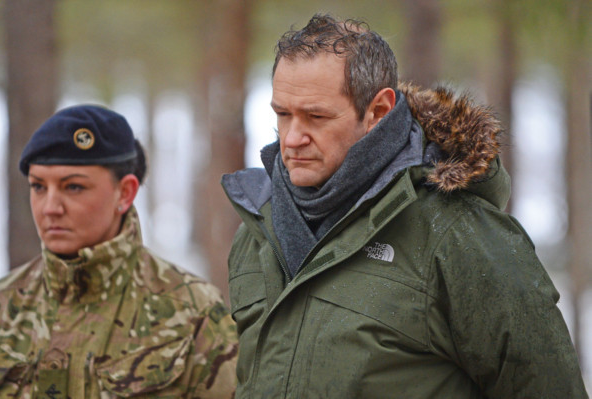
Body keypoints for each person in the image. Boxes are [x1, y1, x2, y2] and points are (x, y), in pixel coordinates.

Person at [221, 13, 588, 398]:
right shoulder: (256, 230)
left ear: (378, 112)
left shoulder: (458, 237)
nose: (292, 139)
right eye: (282, 114)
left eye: (316, 117)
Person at [0, 105, 238, 398]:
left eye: (73, 187)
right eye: (38, 186)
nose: (50, 208)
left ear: (125, 192)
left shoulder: (193, 313)